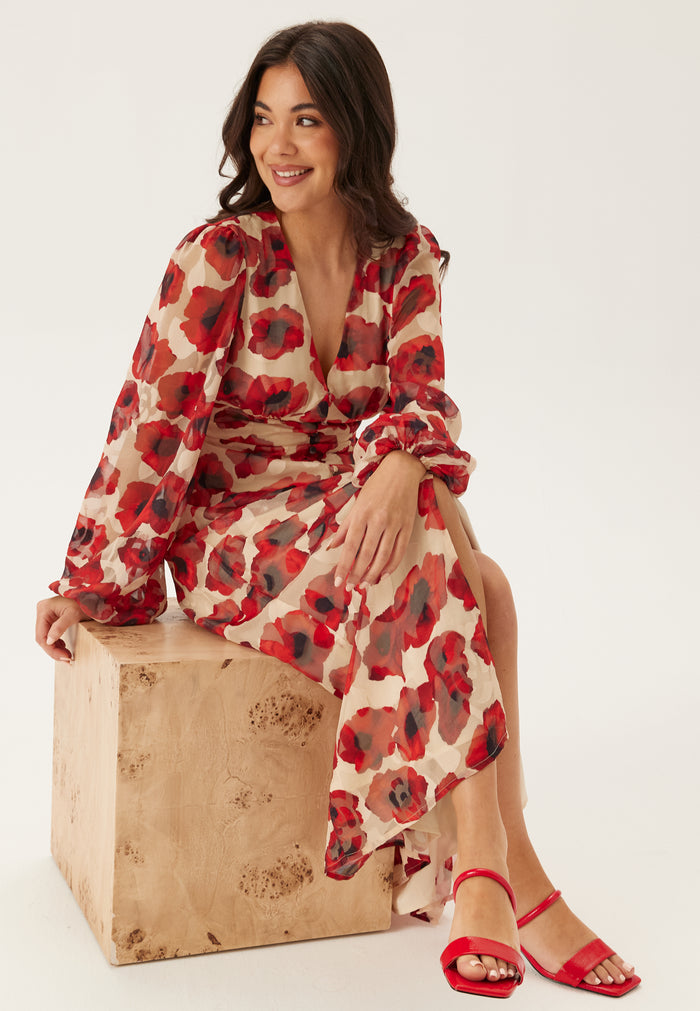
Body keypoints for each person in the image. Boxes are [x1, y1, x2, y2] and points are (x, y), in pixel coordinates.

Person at [35, 21, 640, 999]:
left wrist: (399, 461)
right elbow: (151, 425)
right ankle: (508, 866)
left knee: (469, 560)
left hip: (361, 514)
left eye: (306, 119)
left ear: (356, 128)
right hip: (238, 535)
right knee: (472, 569)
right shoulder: (218, 258)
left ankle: (495, 872)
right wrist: (90, 582)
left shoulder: (406, 257)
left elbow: (422, 399)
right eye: (263, 118)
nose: (278, 144)